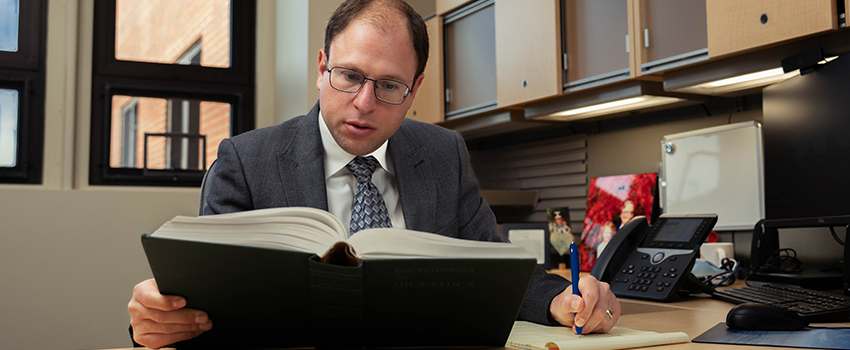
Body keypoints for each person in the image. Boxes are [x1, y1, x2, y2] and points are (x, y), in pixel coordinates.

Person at [127, 1, 621, 348]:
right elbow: (196, 303)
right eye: (349, 76)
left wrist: (562, 296)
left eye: (389, 86)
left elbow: (494, 265)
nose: (364, 103)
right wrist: (157, 321)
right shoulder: (247, 161)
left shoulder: (443, 152)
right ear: (322, 67)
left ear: (416, 88)